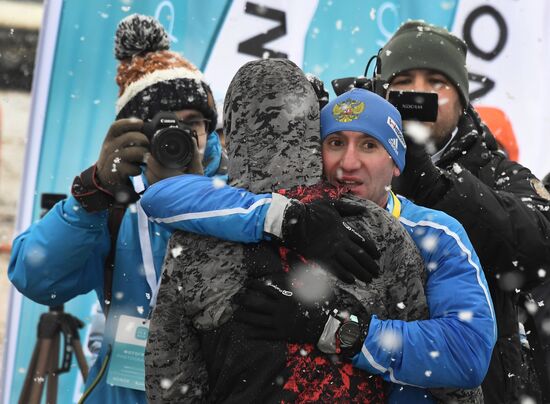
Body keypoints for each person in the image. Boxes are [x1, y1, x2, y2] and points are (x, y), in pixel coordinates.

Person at [141, 85, 495, 401]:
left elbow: (466, 354)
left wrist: (336, 328)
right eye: (335, 143)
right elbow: (163, 197)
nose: (348, 163)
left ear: (396, 161)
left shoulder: (434, 233)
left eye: (369, 145)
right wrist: (289, 221)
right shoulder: (294, 210)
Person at [8, 14, 226, 403]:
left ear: (211, 128)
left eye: (194, 122)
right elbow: (34, 276)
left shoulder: (235, 200)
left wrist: (197, 196)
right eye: (163, 124)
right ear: (133, 131)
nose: (180, 135)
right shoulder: (113, 205)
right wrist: (89, 195)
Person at [378, 20, 550, 403]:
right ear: (382, 90)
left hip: (479, 385)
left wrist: (437, 185)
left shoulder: (498, 173)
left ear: (462, 100)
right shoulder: (349, 159)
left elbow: (537, 242)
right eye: (404, 81)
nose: (419, 94)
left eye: (436, 82)